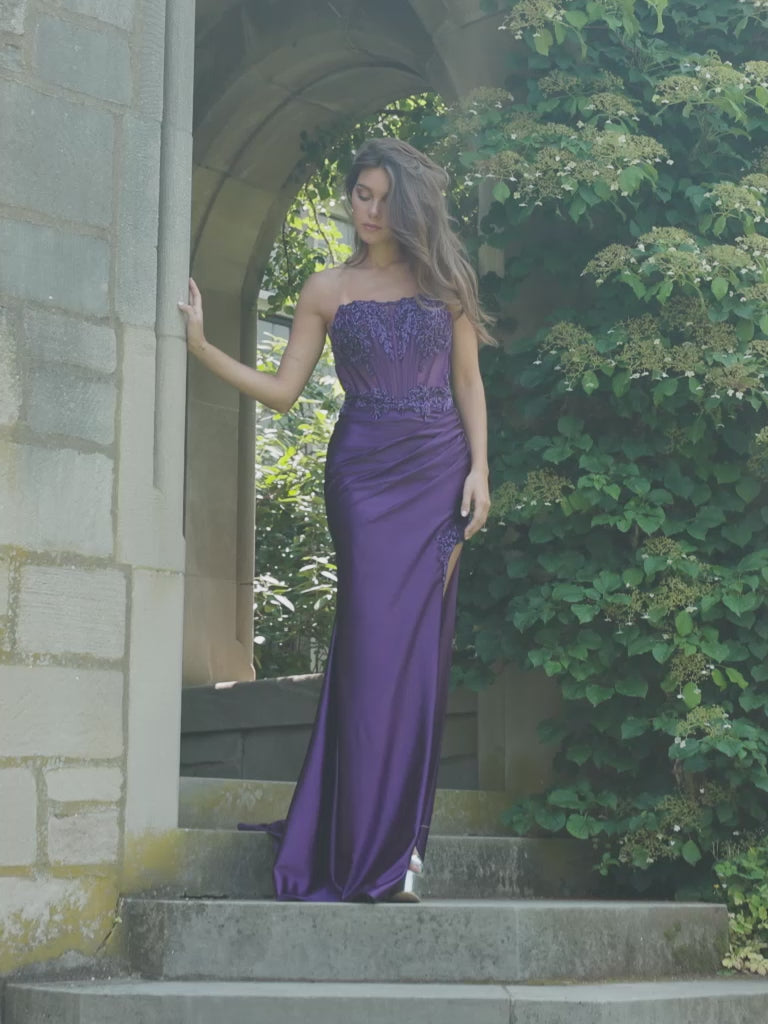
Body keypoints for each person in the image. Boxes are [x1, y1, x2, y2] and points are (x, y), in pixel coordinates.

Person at [178, 137, 492, 903]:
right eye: (361, 194)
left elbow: (467, 381)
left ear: (409, 205)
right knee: (368, 649)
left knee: (416, 657)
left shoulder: (445, 282)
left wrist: (481, 470)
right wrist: (202, 346)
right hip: (363, 479)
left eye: (385, 198)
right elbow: (285, 392)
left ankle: (401, 850)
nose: (371, 211)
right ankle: (354, 837)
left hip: (438, 476)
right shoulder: (326, 288)